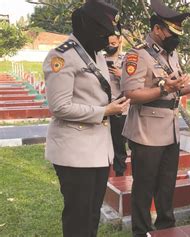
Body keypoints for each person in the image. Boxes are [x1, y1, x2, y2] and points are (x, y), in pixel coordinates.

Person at [120, 0, 190, 235]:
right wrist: (164, 90)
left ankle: (166, 229)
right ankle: (141, 231)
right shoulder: (137, 55)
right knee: (144, 188)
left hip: (170, 131)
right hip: (146, 133)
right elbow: (131, 93)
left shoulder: (171, 54)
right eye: (171, 32)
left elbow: (174, 88)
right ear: (157, 29)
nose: (175, 37)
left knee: (166, 187)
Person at [43, 1, 130, 236]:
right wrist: (104, 111)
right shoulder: (61, 56)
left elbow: (99, 93)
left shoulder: (97, 56)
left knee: (92, 214)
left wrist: (117, 104)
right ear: (84, 24)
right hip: (74, 151)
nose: (106, 37)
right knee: (78, 216)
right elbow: (59, 107)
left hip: (99, 150)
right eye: (102, 30)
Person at [104, 34, 128, 176]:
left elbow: (134, 85)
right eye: (108, 43)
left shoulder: (126, 60)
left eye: (113, 43)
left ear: (120, 41)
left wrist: (122, 75)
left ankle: (120, 173)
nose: (110, 46)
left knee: (119, 143)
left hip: (121, 108)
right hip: (104, 107)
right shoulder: (99, 59)